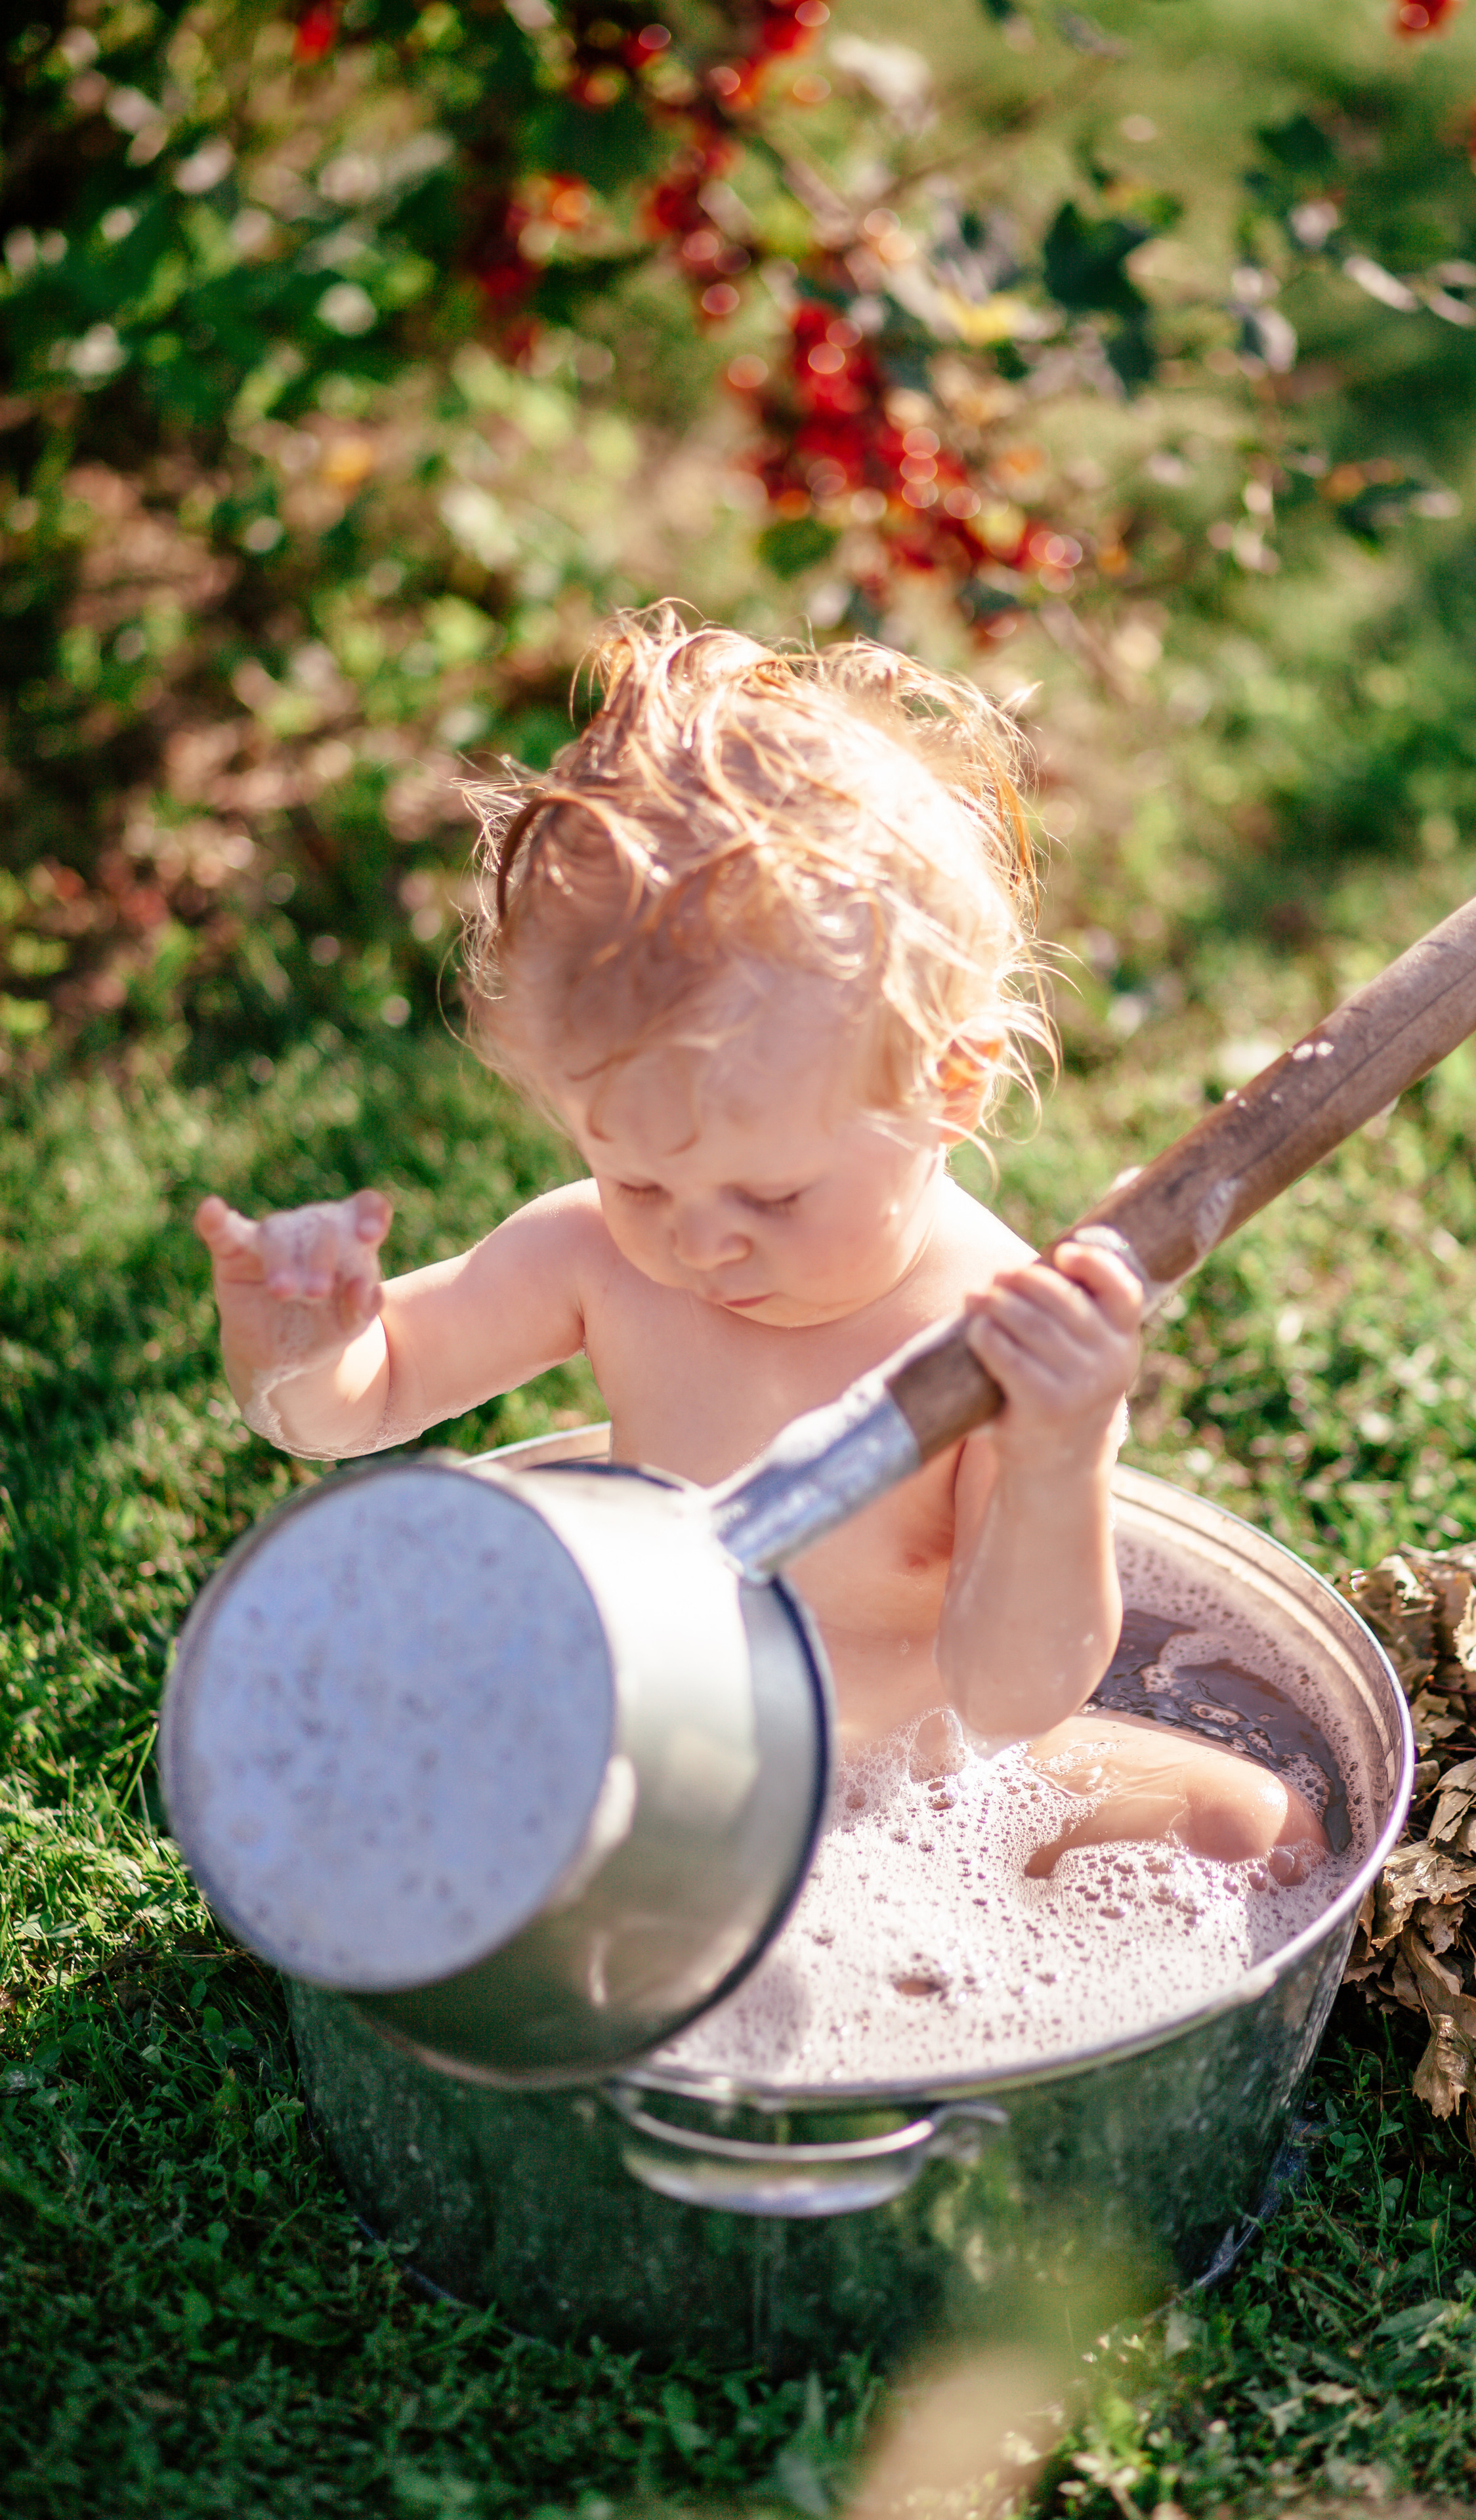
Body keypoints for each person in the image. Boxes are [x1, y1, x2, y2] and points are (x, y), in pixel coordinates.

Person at [195, 610, 1324, 1877]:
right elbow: (358, 1402)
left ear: (947, 1091)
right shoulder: (595, 1256)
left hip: (924, 1794)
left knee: (1258, 1831)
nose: (699, 1245)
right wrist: (304, 1337)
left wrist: (1058, 1454)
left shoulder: (999, 1333)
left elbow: (1015, 1698)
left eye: (773, 1197)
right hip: (653, 1766)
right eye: (634, 1176)